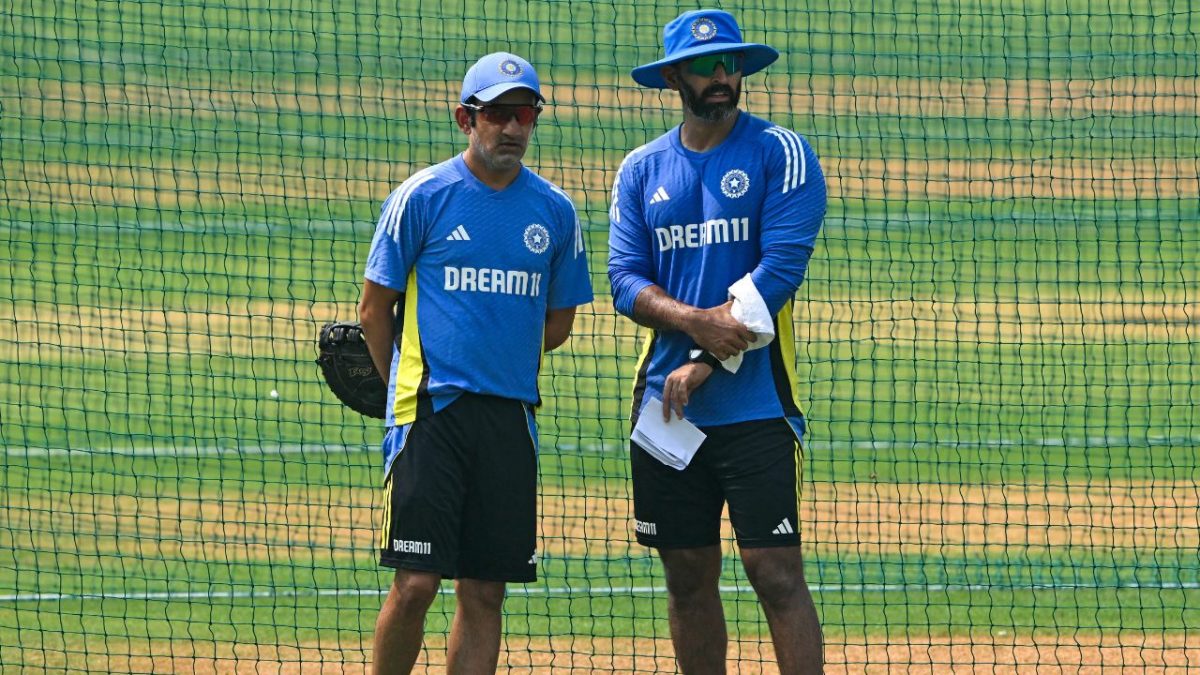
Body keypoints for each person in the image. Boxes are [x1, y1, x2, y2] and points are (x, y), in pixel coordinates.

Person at [607, 9, 827, 674]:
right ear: (675, 76)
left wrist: (706, 355)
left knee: (776, 572)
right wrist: (692, 321)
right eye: (706, 65)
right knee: (685, 575)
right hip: (665, 412)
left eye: (730, 63)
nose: (722, 74)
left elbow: (778, 273)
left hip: (755, 410)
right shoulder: (640, 169)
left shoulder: (780, 153)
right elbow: (623, 280)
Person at [358, 51, 593, 674]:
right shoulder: (423, 196)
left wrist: (495, 343)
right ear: (466, 118)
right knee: (416, 585)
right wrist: (398, 392)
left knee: (486, 590)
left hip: (510, 421)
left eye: (525, 114)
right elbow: (373, 309)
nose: (513, 128)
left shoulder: (555, 213)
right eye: (498, 114)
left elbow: (559, 324)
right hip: (431, 416)